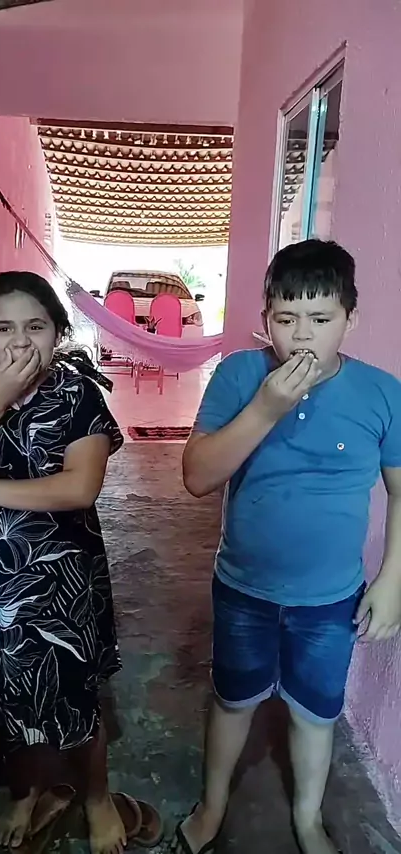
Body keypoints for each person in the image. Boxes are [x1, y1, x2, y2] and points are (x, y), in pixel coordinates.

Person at [175, 240, 401, 854]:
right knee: (231, 703)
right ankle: (212, 807)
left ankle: (307, 819)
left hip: (330, 600)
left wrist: (392, 579)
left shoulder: (381, 393)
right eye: (286, 317)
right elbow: (197, 477)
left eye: (321, 318)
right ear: (264, 318)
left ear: (351, 319)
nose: (302, 335)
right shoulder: (239, 375)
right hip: (243, 590)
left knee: (315, 714)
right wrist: (267, 407)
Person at [0, 272, 128, 853]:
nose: (19, 341)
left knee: (75, 701)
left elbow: (79, 487)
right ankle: (26, 791)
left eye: (35, 326)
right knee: (7, 699)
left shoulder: (78, 394)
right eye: (4, 328)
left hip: (64, 581)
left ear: (57, 333)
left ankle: (96, 797)